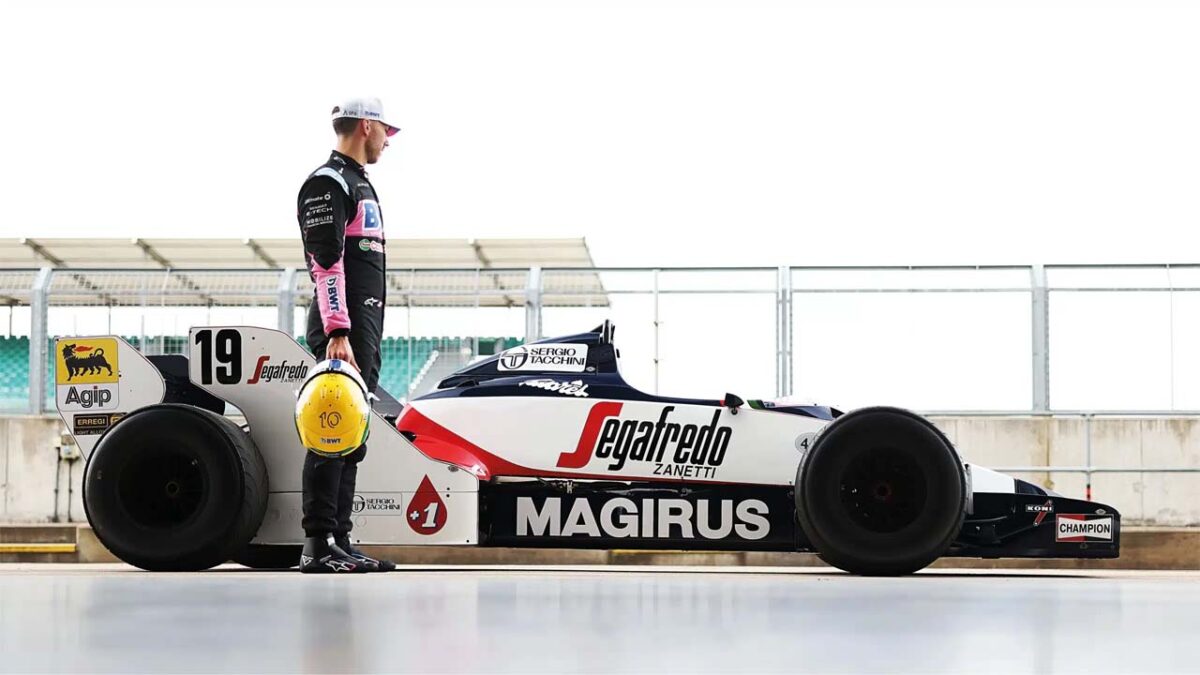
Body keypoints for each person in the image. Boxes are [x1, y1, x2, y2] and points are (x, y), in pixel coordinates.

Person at [295, 97, 399, 573]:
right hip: (343, 333)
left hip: (363, 331)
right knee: (330, 431)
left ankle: (340, 539)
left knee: (352, 435)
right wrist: (338, 331)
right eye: (384, 131)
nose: (387, 142)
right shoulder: (328, 181)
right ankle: (317, 545)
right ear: (365, 126)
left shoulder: (360, 183)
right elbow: (326, 260)